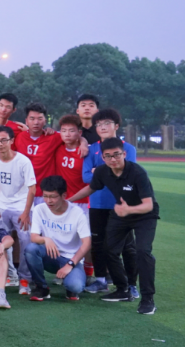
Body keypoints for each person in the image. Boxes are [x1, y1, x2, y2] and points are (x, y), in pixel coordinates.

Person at [68, 138, 159, 315]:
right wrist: (68, 201)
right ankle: (122, 289)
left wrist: (129, 210)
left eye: (116, 155)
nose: (113, 159)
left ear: (124, 154)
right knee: (107, 248)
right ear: (103, 158)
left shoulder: (137, 172)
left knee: (143, 252)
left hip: (144, 215)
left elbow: (148, 205)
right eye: (108, 156)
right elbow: (91, 188)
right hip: (122, 213)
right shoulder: (103, 171)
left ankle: (148, 299)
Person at [82, 108, 139, 297]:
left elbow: (127, 174)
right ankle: (101, 280)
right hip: (97, 203)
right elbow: (85, 177)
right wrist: (110, 170)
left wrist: (98, 172)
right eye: (99, 124)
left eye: (107, 123)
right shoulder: (91, 149)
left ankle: (131, 284)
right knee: (98, 243)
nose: (102, 127)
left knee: (127, 247)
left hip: (122, 204)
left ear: (116, 126)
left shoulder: (128, 149)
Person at [0, 125, 37, 294]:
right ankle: (8, 274)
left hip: (22, 207)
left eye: (4, 140)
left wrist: (26, 212)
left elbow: (32, 188)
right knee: (1, 241)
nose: (0, 144)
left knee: (26, 242)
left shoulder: (23, 161)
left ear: (12, 140)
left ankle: (25, 279)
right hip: (2, 206)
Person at [25, 176, 91, 302]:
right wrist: (46, 239)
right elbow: (34, 237)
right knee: (31, 249)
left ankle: (71, 283)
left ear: (64, 195)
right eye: (45, 196)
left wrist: (70, 264)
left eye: (53, 197)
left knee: (76, 286)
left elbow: (87, 243)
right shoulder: (39, 209)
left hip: (71, 259)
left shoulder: (77, 213)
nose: (48, 201)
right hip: (50, 255)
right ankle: (41, 288)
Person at [14, 103, 83, 205]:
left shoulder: (54, 137)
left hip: (46, 194)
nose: (36, 122)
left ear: (45, 121)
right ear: (26, 121)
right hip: (23, 192)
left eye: (40, 118)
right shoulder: (19, 136)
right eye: (32, 119)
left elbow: (73, 136)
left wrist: (84, 143)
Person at [55, 114, 95, 280]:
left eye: (71, 131)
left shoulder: (88, 151)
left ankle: (88, 272)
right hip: (64, 202)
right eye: (63, 130)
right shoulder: (57, 146)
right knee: (63, 237)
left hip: (84, 202)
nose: (67, 134)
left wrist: (84, 143)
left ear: (79, 132)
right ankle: (63, 270)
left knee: (85, 238)